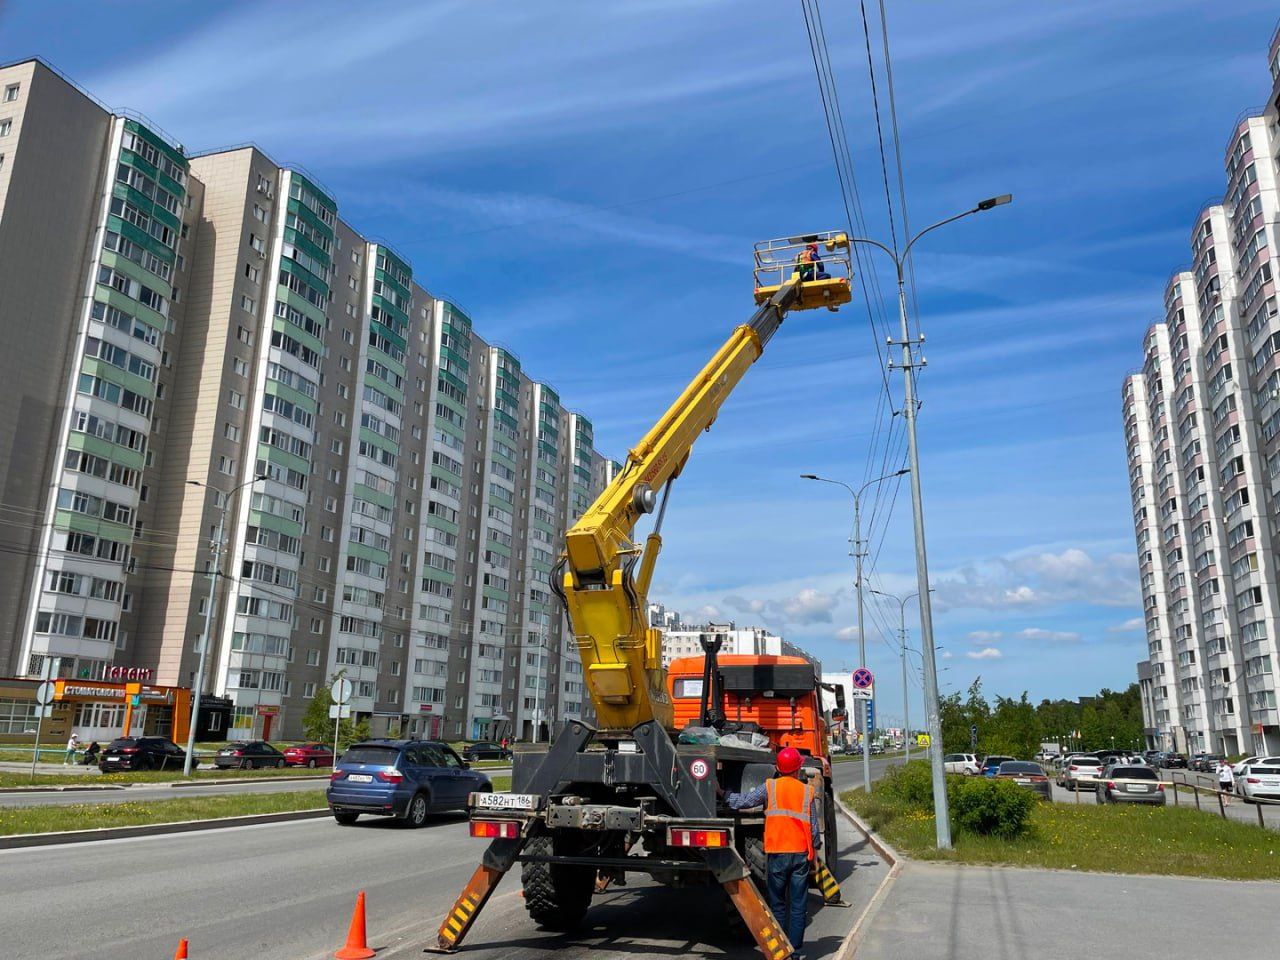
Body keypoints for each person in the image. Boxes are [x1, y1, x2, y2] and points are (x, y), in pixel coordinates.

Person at [722, 746, 819, 955]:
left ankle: (782, 947)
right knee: (799, 904)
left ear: (777, 767)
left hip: (777, 854)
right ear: (798, 769)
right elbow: (814, 830)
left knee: (778, 904)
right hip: (801, 855)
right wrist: (815, 854)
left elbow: (745, 801)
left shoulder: (770, 787)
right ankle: (796, 950)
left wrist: (725, 795)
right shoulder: (806, 791)